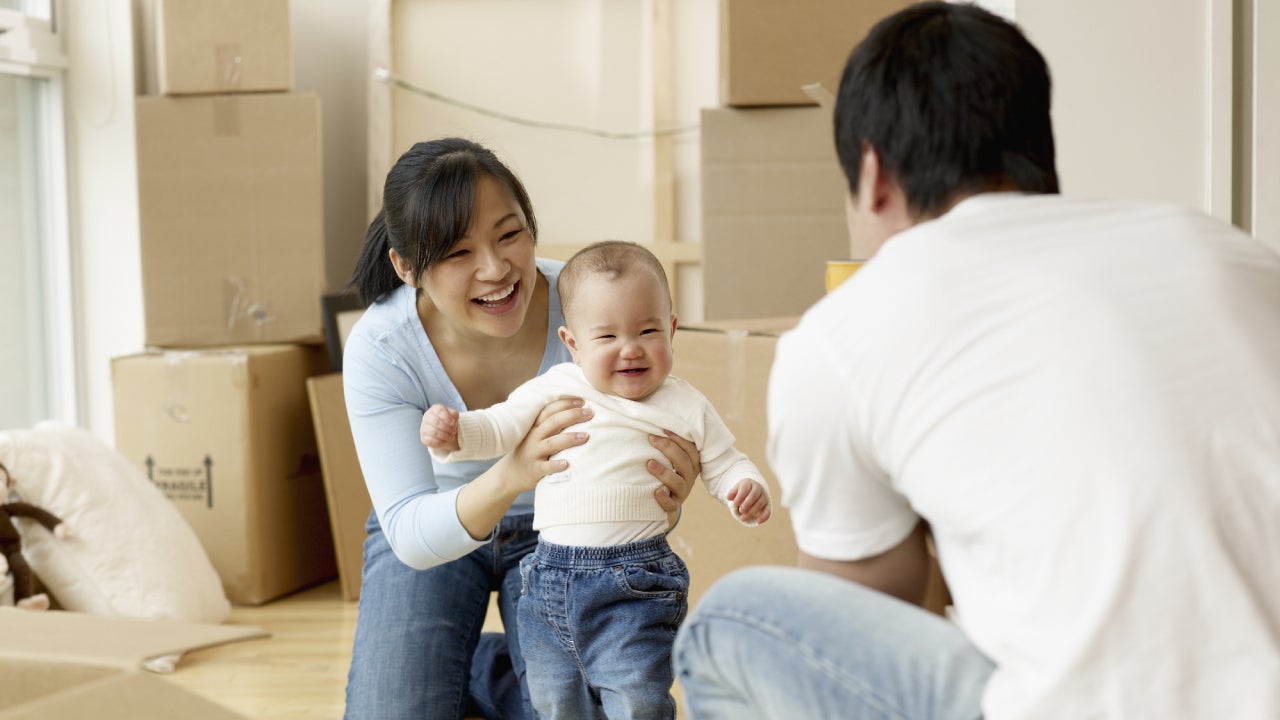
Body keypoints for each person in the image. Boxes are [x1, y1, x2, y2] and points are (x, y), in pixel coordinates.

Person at [673, 3, 1280, 719]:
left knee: (732, 621)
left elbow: (867, 616)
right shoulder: (1225, 249)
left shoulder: (845, 331)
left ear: (872, 174)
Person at [342, 139, 702, 720]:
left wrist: (665, 488)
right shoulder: (382, 347)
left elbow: (651, 426)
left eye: (509, 234)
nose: (496, 268)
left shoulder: (592, 307)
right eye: (458, 252)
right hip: (438, 518)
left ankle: (479, 667)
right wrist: (513, 472)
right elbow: (409, 532)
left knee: (586, 708)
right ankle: (464, 661)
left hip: (564, 531)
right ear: (406, 267)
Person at [421, 240, 772, 720]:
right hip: (545, 580)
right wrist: (456, 433)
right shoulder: (557, 385)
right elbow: (499, 428)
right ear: (572, 343)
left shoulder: (684, 403)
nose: (630, 348)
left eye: (648, 330)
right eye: (607, 337)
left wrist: (744, 488)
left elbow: (726, 462)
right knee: (555, 700)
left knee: (638, 698)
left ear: (672, 330)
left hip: (635, 585)